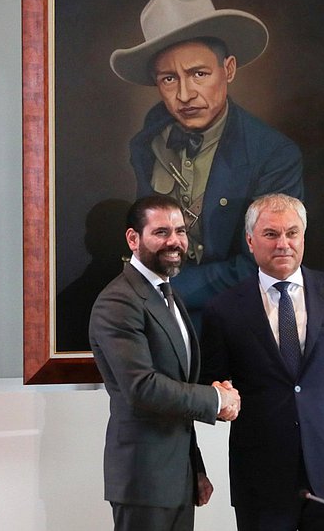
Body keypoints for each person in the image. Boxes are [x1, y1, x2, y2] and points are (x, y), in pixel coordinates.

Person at [110, 0, 304, 327]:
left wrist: (164, 289)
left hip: (236, 325)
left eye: (198, 73)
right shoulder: (145, 145)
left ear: (228, 69)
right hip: (159, 323)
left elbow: (267, 260)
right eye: (169, 79)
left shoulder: (274, 154)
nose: (185, 94)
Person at [200, 193, 324, 531]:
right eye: (271, 234)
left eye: (292, 233)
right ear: (250, 241)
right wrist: (219, 397)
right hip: (261, 474)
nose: (283, 244)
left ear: (303, 236)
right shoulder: (223, 308)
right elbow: (213, 384)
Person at [89, 194, 241, 531]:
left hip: (177, 479)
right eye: (161, 232)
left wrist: (195, 468)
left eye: (181, 231)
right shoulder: (118, 301)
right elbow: (142, 387)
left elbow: (177, 387)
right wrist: (216, 399)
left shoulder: (169, 295)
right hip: (143, 481)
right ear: (133, 239)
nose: (175, 241)